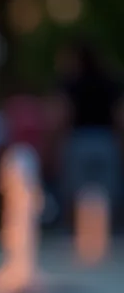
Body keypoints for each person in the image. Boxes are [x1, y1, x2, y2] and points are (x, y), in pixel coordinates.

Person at [52, 41, 124, 225]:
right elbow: (119, 116)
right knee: (108, 193)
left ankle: (75, 233)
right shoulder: (110, 82)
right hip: (106, 141)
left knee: (75, 194)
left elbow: (63, 115)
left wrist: (56, 145)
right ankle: (107, 232)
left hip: (79, 141)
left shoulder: (70, 83)